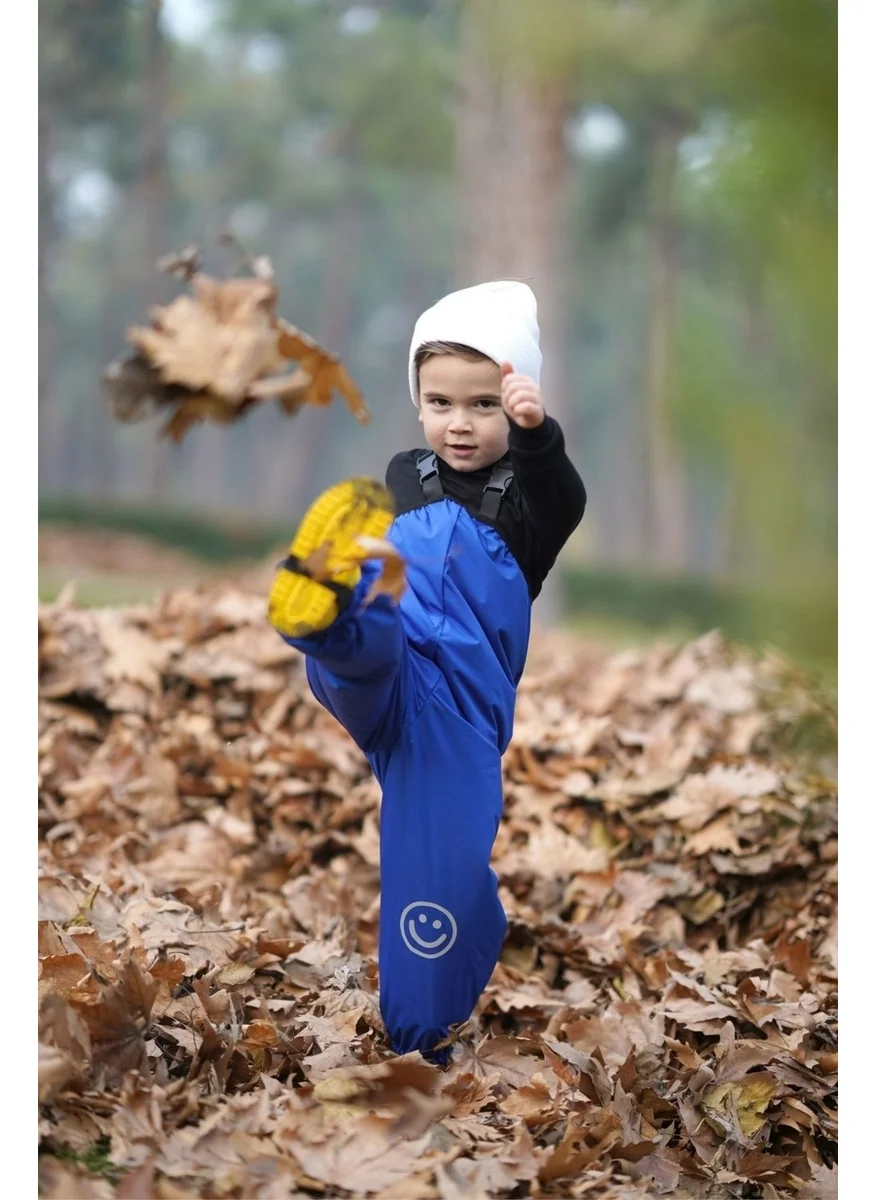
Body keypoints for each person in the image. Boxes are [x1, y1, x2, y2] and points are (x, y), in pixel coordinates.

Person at [268, 281, 586, 1063]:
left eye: (484, 405)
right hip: (396, 657)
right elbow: (421, 515)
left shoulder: (531, 504)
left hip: (456, 717)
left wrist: (537, 432)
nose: (460, 423)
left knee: (440, 875)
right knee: (366, 639)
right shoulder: (410, 472)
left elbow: (565, 496)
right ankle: (331, 609)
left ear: (511, 408)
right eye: (440, 402)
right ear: (417, 403)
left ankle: (420, 1043)